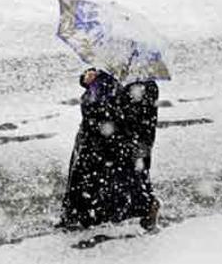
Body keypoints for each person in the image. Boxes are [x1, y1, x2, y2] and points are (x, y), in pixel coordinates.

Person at [57, 68, 134, 229]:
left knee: (89, 180)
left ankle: (85, 215)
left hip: (98, 143)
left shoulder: (113, 86)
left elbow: (105, 113)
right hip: (89, 140)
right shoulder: (104, 77)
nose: (90, 72)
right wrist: (86, 80)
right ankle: (83, 214)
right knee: (85, 179)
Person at [118, 79, 161, 230]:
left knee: (137, 171)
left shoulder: (145, 87)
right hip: (137, 139)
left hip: (138, 139)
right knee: (136, 171)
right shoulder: (138, 85)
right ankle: (145, 204)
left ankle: (148, 205)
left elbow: (137, 116)